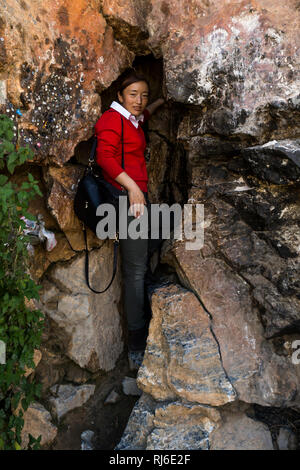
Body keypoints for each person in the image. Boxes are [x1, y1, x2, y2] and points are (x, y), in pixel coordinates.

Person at [94, 70, 165, 369]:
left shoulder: (133, 120)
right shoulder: (112, 120)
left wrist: (159, 102)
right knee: (135, 270)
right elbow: (105, 158)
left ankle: (147, 318)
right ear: (120, 96)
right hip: (126, 201)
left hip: (137, 199)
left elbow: (144, 115)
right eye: (133, 94)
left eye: (144, 95)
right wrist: (133, 187)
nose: (139, 101)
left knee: (150, 249)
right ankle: (137, 343)